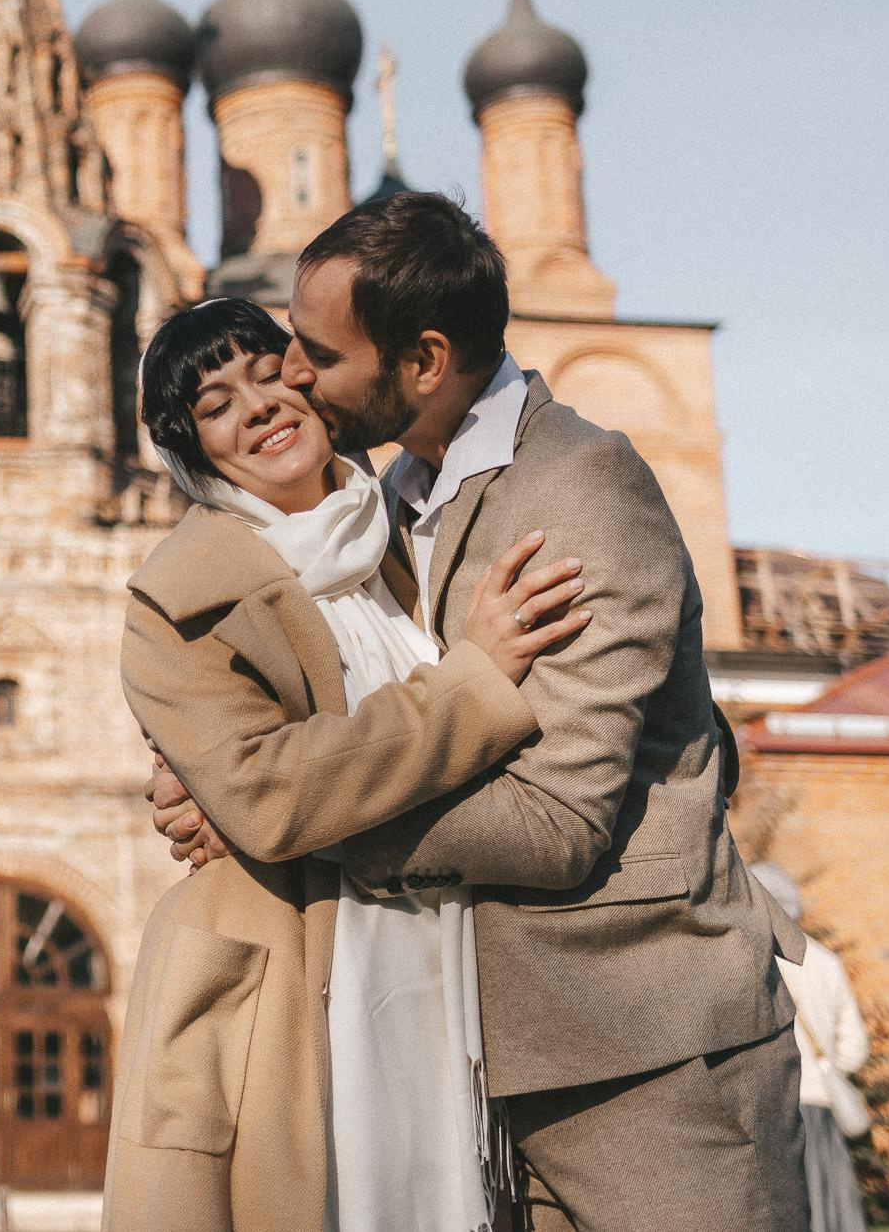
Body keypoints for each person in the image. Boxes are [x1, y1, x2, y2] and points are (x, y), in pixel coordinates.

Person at [145, 191, 811, 1232]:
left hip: (646, 1054)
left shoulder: (575, 488)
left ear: (420, 361)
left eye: (314, 354)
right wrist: (225, 761)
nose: (293, 377)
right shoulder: (385, 499)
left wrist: (271, 816)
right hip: (484, 1053)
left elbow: (557, 822)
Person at [102, 295, 591, 1232]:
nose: (254, 406)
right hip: (302, 977)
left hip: (466, 950)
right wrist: (473, 684)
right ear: (194, 451)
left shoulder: (416, 529)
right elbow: (275, 797)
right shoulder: (175, 606)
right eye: (212, 405)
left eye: (268, 369)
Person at [753, 863, 871, 1232]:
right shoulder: (825, 962)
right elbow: (856, 1048)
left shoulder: (755, 960)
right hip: (821, 1103)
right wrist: (826, 1066)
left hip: (773, 1103)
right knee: (830, 1205)